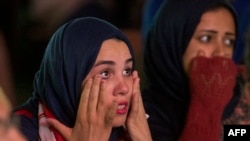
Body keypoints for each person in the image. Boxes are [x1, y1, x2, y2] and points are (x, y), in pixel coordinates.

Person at [14, 17, 152, 141]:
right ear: (69, 77)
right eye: (105, 73)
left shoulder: (129, 132)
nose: (124, 88)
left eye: (127, 71)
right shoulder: (14, 132)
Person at [142, 0, 250, 141]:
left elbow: (237, 133)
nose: (221, 52)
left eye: (228, 41)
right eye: (206, 38)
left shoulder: (243, 92)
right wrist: (208, 102)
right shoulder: (142, 115)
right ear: (175, 41)